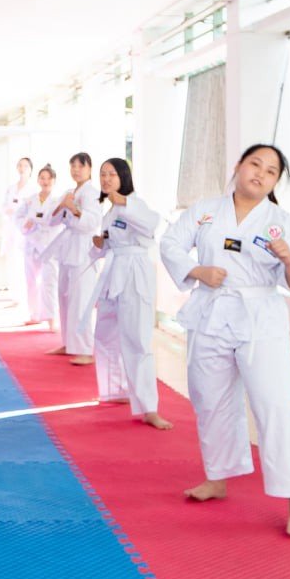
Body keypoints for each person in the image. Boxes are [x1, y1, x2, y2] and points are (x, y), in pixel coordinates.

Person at [160, 143, 290, 535]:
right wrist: (197, 271)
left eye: (271, 171)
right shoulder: (206, 210)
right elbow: (171, 243)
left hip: (259, 317)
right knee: (210, 398)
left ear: (276, 182)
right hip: (211, 311)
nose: (260, 174)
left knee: (275, 405)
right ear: (239, 166)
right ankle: (217, 476)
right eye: (255, 164)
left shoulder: (281, 222)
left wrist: (289, 259)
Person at [89, 157, 170, 429]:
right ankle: (115, 389)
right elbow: (109, 246)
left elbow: (152, 225)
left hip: (134, 275)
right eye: (103, 174)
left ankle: (149, 408)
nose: (106, 179)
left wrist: (124, 203)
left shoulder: (134, 203)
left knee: (137, 340)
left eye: (111, 174)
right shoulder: (109, 212)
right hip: (114, 273)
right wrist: (100, 244)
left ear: (123, 176)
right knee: (104, 333)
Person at [50, 152, 99, 364]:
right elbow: (52, 221)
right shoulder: (69, 192)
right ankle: (69, 343)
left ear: (89, 169)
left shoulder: (93, 193)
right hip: (67, 250)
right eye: (73, 166)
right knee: (65, 298)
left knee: (81, 301)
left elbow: (92, 223)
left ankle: (86, 349)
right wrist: (63, 205)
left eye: (80, 166)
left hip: (84, 252)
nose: (76, 170)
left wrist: (74, 209)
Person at [21, 164, 64, 328]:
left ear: (54, 180)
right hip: (31, 243)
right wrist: (26, 224)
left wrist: (39, 221)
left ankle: (51, 318)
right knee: (31, 280)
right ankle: (34, 314)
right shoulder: (30, 200)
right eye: (42, 178)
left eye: (49, 178)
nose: (45, 181)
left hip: (49, 245)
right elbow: (19, 217)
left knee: (49, 281)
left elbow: (57, 221)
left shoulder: (58, 201)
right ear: (38, 180)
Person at [2, 156, 35, 308]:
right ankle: (14, 294)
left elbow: (32, 210)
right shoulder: (11, 188)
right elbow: (4, 206)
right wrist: (8, 210)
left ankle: (24, 295)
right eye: (20, 165)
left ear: (30, 170)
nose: (22, 169)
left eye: (25, 166)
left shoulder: (32, 190)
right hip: (11, 228)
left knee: (23, 262)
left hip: (24, 230)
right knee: (11, 260)